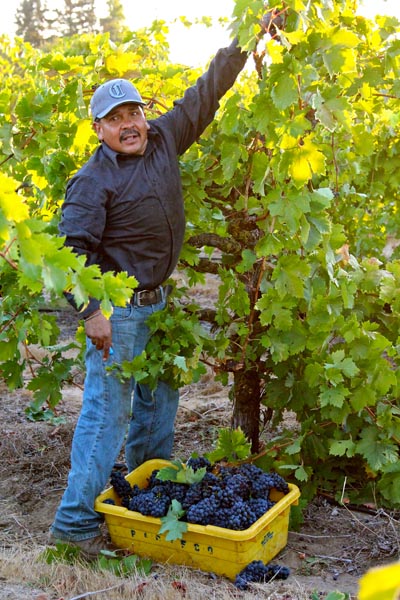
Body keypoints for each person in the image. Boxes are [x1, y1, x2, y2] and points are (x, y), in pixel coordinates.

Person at [49, 12, 281, 558]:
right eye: (116, 117)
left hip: (160, 305)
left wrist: (247, 41)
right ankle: (74, 527)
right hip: (118, 313)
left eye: (134, 111)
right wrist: (90, 313)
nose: (129, 123)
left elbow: (206, 92)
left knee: (158, 411)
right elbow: (66, 256)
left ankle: (142, 514)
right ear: (100, 129)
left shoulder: (163, 141)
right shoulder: (92, 180)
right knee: (107, 415)